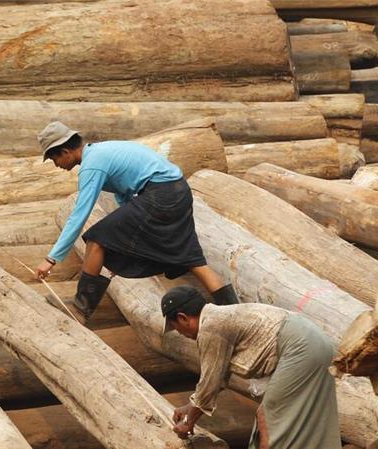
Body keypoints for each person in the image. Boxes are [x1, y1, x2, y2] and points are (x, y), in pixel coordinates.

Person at [34, 121, 237, 321]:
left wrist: (52, 258)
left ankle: (80, 309)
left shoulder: (92, 165)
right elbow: (126, 196)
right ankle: (234, 314)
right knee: (193, 260)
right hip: (178, 191)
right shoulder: (103, 151)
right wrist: (120, 248)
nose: (57, 166)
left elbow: (80, 214)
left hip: (160, 195)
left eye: (54, 160)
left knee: (96, 240)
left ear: (65, 151)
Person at [161, 285, 341, 449]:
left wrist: (188, 421)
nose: (181, 334)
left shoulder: (210, 327)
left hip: (301, 347)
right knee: (294, 420)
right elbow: (218, 379)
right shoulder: (218, 316)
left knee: (268, 420)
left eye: (176, 328)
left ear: (182, 318)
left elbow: (210, 382)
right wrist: (189, 407)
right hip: (314, 341)